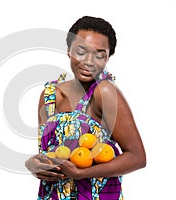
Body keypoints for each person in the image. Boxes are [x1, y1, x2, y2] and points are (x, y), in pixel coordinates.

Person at [25, 16, 146, 200]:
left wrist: (81, 174)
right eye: (81, 51)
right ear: (68, 51)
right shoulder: (49, 97)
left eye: (100, 54)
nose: (90, 61)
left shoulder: (104, 92)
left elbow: (137, 157)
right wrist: (33, 165)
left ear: (107, 57)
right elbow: (49, 154)